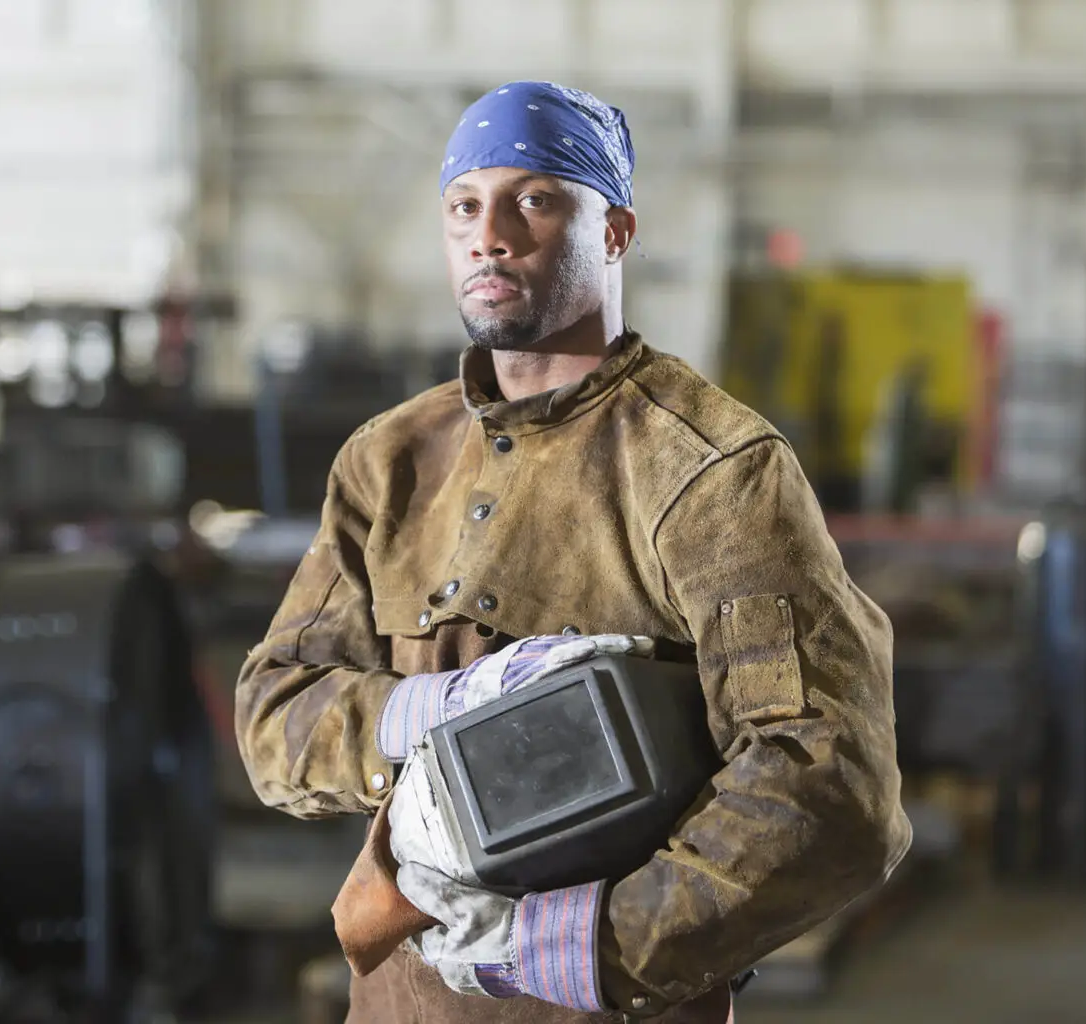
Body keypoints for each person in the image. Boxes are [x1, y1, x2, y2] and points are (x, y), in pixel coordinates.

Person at [235, 81, 912, 1023]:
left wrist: (580, 948)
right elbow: (275, 713)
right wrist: (432, 712)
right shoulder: (387, 462)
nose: (490, 234)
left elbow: (830, 781)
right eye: (464, 206)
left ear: (616, 229)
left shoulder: (711, 473)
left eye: (536, 199)